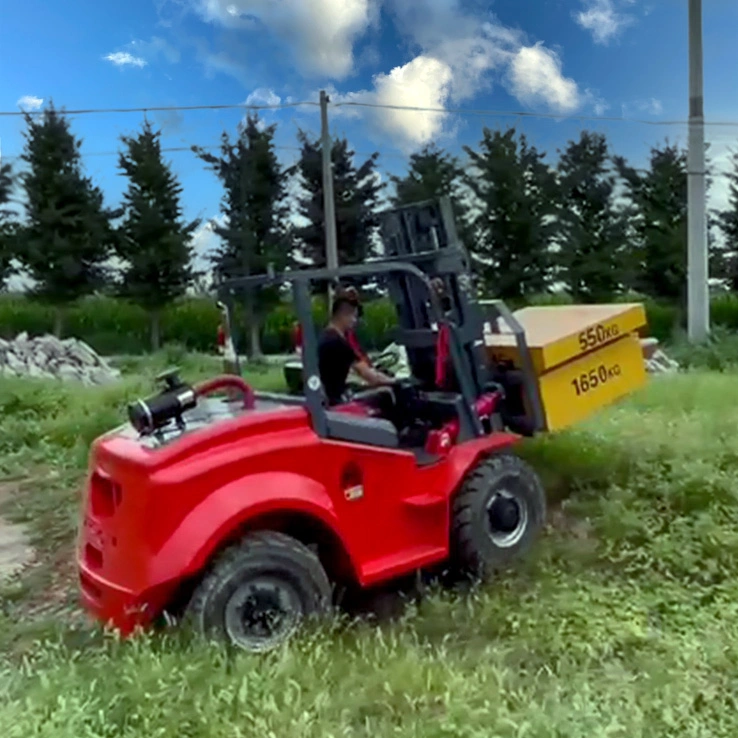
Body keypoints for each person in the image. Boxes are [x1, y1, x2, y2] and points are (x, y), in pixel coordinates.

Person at [318, 295, 394, 405]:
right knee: (387, 393)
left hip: (329, 395)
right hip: (337, 400)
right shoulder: (337, 342)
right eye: (354, 316)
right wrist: (395, 381)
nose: (355, 321)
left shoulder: (324, 336)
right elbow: (372, 378)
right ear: (343, 315)